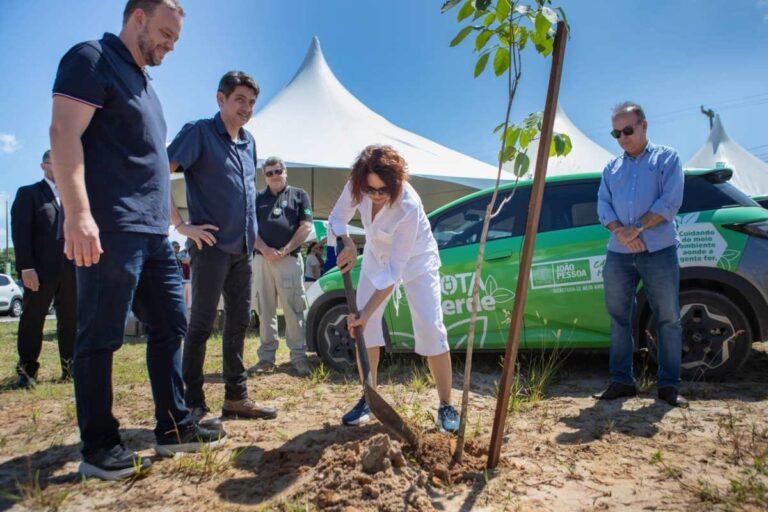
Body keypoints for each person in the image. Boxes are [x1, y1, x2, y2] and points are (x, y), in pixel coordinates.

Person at [49, 0, 224, 481]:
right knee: (100, 336)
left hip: (152, 234)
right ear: (138, 18)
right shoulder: (90, 60)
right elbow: (64, 133)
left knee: (172, 323)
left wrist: (172, 224)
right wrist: (79, 215)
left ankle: (174, 426)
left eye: (176, 39)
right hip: (109, 228)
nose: (170, 46)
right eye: (166, 34)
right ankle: (100, 445)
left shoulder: (146, 84)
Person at [168, 71, 276, 423]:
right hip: (210, 247)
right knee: (200, 324)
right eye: (239, 100)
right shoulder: (198, 132)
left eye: (251, 102)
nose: (246, 108)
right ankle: (194, 401)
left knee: (239, 322)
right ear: (221, 99)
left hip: (243, 250)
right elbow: (158, 171)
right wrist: (181, 224)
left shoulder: (250, 143)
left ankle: (236, 397)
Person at [329, 144, 460, 432]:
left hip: (415, 261)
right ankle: (369, 397)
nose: (375, 196)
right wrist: (348, 242)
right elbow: (337, 219)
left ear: (396, 183)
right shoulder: (357, 185)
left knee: (429, 325)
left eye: (382, 191)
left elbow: (394, 273)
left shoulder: (408, 206)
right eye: (370, 190)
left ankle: (446, 405)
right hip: (376, 255)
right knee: (365, 330)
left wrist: (364, 311)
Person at [594, 102, 687, 408]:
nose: (622, 137)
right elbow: (602, 207)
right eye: (616, 132)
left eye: (628, 130)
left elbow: (670, 201)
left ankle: (668, 386)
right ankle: (622, 381)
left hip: (658, 251)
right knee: (619, 318)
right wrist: (621, 231)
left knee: (668, 318)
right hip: (619, 254)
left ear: (644, 126)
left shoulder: (667, 158)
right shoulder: (611, 169)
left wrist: (635, 229)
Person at [11, 150, 76, 388]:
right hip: (39, 271)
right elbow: (21, 233)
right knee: (32, 319)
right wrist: (26, 267)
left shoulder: (73, 198)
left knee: (70, 320)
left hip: (71, 271)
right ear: (44, 166)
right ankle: (27, 371)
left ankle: (70, 368)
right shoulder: (29, 194)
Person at [253, 157, 313, 376]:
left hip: (288, 260)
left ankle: (298, 357)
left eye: (277, 171)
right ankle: (266, 359)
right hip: (262, 260)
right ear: (264, 176)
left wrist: (285, 249)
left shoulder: (299, 195)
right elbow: (249, 229)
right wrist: (265, 250)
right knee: (264, 309)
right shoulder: (256, 197)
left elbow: (306, 226)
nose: (274, 176)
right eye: (269, 173)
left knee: (294, 308)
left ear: (285, 171)